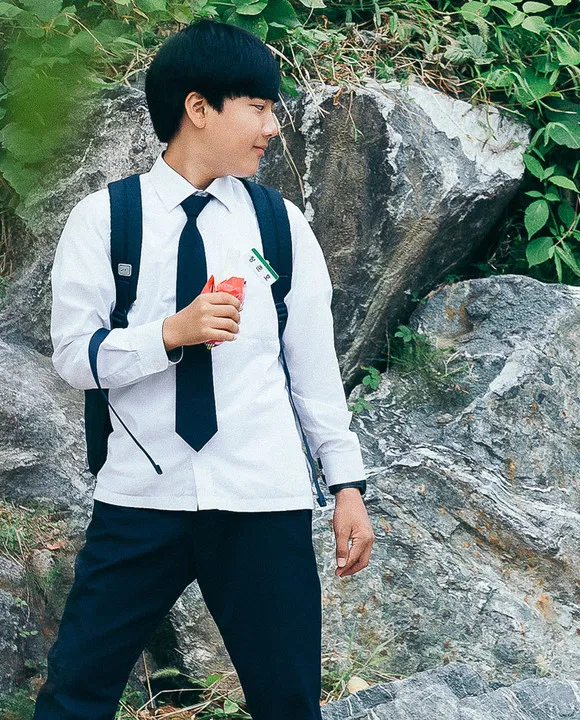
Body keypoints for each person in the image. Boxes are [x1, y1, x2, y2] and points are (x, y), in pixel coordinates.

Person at [37, 20, 373, 719]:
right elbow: (74, 355)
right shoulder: (106, 219)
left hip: (263, 499)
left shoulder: (279, 225)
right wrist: (171, 334)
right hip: (141, 497)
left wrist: (346, 484)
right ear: (198, 108)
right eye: (258, 107)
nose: (272, 127)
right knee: (74, 696)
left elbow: (313, 368)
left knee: (289, 703)